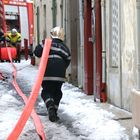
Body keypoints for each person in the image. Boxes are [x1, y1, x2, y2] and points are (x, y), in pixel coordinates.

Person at [34, 26, 71, 122]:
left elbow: (37, 52)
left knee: (46, 91)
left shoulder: (46, 43)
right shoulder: (65, 47)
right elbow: (68, 60)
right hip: (60, 73)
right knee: (57, 92)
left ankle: (50, 106)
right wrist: (61, 70)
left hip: (47, 71)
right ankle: (54, 111)